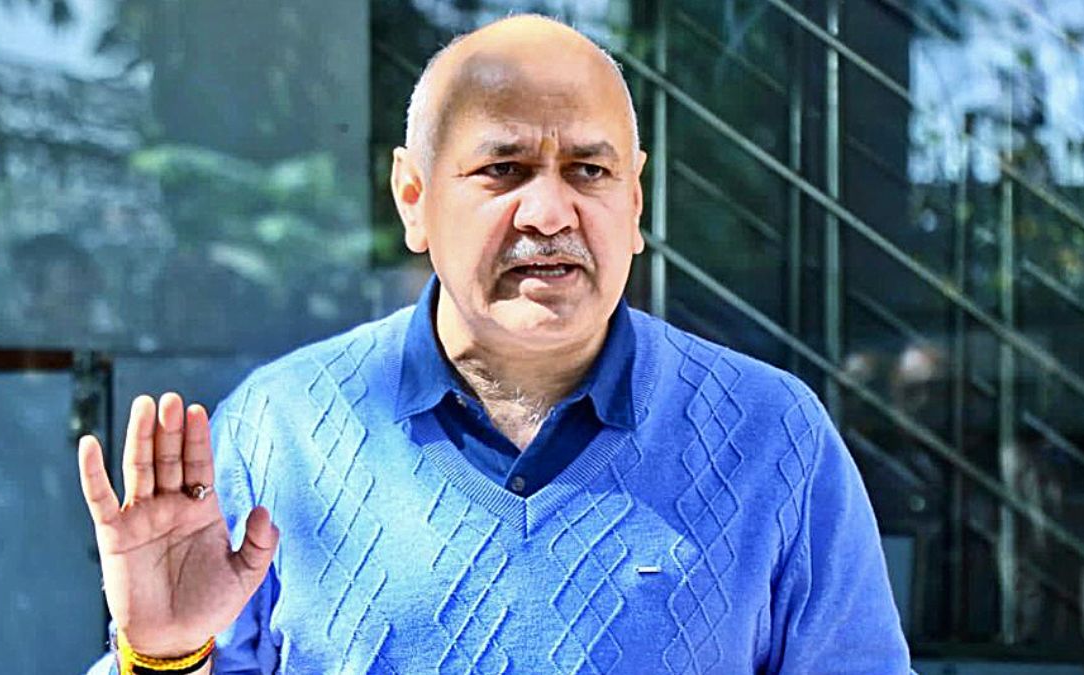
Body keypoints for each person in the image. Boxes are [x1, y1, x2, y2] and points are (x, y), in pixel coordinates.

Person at [80, 14, 910, 674]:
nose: (548, 213)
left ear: (635, 201)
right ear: (413, 197)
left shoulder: (771, 437)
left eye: (589, 170)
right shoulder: (280, 430)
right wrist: (162, 656)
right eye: (503, 169)